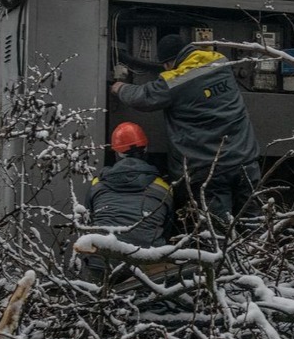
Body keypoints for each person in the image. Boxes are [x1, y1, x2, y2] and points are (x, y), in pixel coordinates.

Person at [110, 33, 261, 222]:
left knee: (218, 233)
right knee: (254, 223)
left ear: (169, 62)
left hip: (211, 170)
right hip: (245, 161)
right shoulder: (220, 63)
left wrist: (119, 88)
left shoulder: (175, 81)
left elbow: (143, 97)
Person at [84, 121, 172, 283]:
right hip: (146, 263)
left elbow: (88, 220)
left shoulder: (97, 185)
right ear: (145, 150)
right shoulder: (163, 188)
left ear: (116, 153)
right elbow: (167, 227)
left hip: (102, 262)